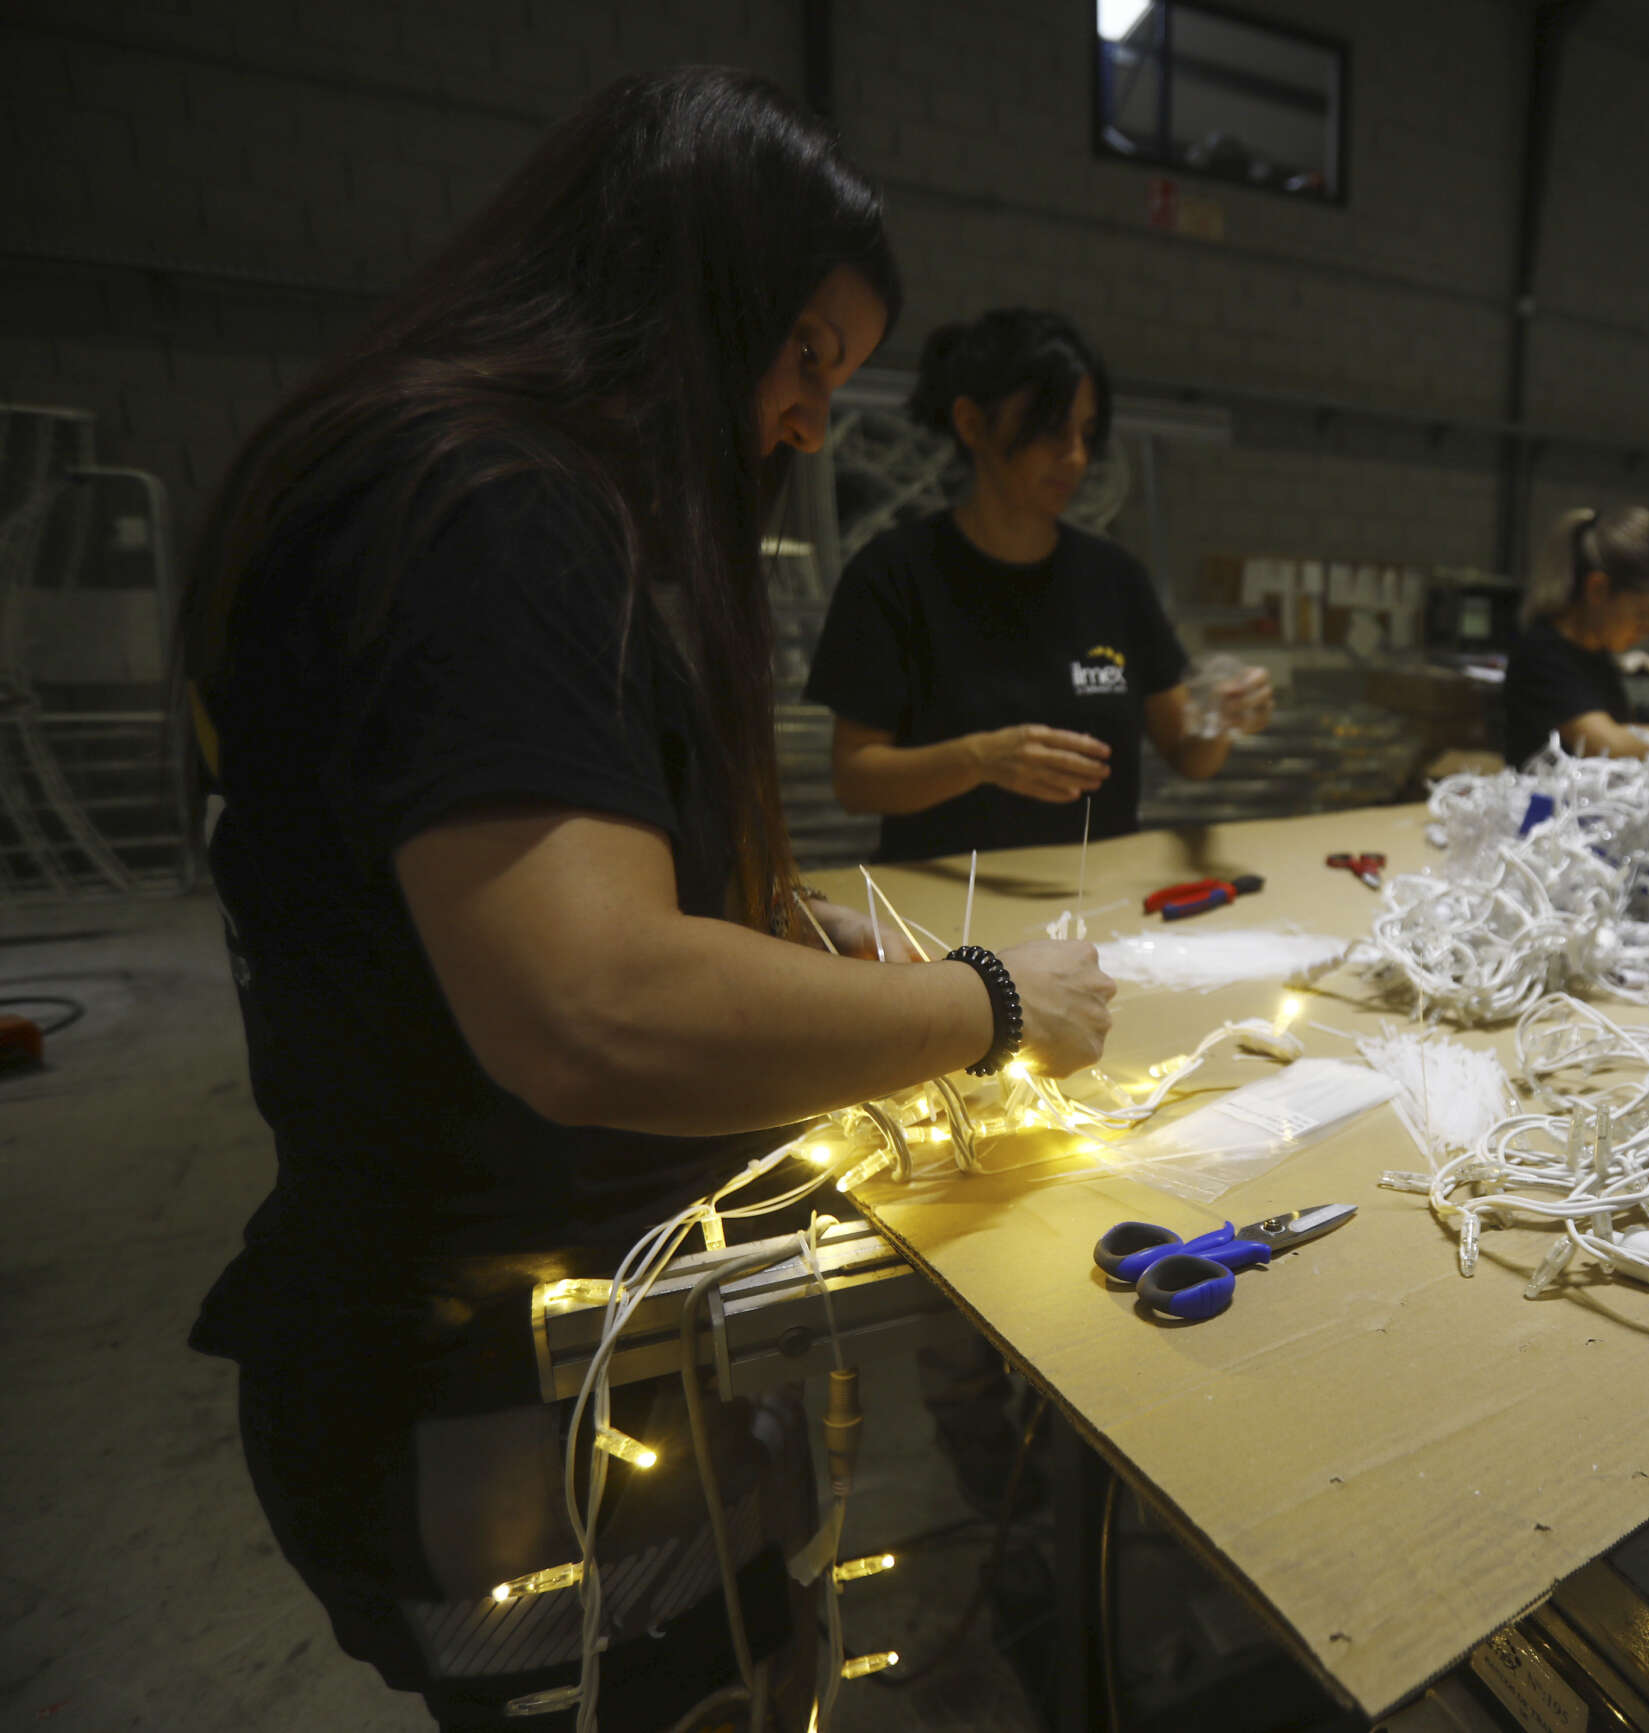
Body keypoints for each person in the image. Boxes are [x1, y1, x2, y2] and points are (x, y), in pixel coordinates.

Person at [181, 71, 1114, 1732]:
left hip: (565, 1377)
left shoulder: (496, 488)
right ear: (679, 305)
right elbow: (590, 1002)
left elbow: (523, 904)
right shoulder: (489, 507)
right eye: (802, 358)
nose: (813, 422)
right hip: (509, 1417)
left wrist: (745, 925)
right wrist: (993, 1003)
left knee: (738, 1673)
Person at [805, 307, 1272, 860]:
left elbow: (1188, 753)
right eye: (1050, 429)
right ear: (972, 423)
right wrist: (981, 758)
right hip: (952, 912)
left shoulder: (1115, 579)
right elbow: (855, 779)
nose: (1075, 456)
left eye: (1087, 432)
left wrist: (1225, 716)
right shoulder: (893, 577)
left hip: (1100, 902)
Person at [1502, 505, 1649, 764]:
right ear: (1598, 590)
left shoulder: (1597, 656)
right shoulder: (1542, 654)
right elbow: (1605, 744)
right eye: (1644, 614)